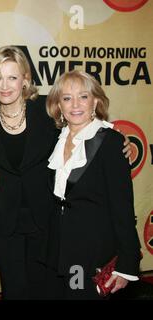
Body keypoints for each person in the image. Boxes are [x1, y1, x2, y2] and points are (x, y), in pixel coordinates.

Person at [43, 70, 141, 299]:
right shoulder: (55, 139)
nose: (75, 104)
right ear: (59, 105)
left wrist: (127, 264)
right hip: (58, 252)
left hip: (91, 256)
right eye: (67, 98)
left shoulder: (110, 142)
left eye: (83, 96)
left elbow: (123, 208)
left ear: (96, 101)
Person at [0, 46, 58, 299]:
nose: (5, 85)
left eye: (12, 77)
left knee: (43, 290)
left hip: (44, 216)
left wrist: (114, 139)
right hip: (4, 220)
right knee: (13, 290)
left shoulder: (46, 109)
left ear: (26, 80)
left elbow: (81, 126)